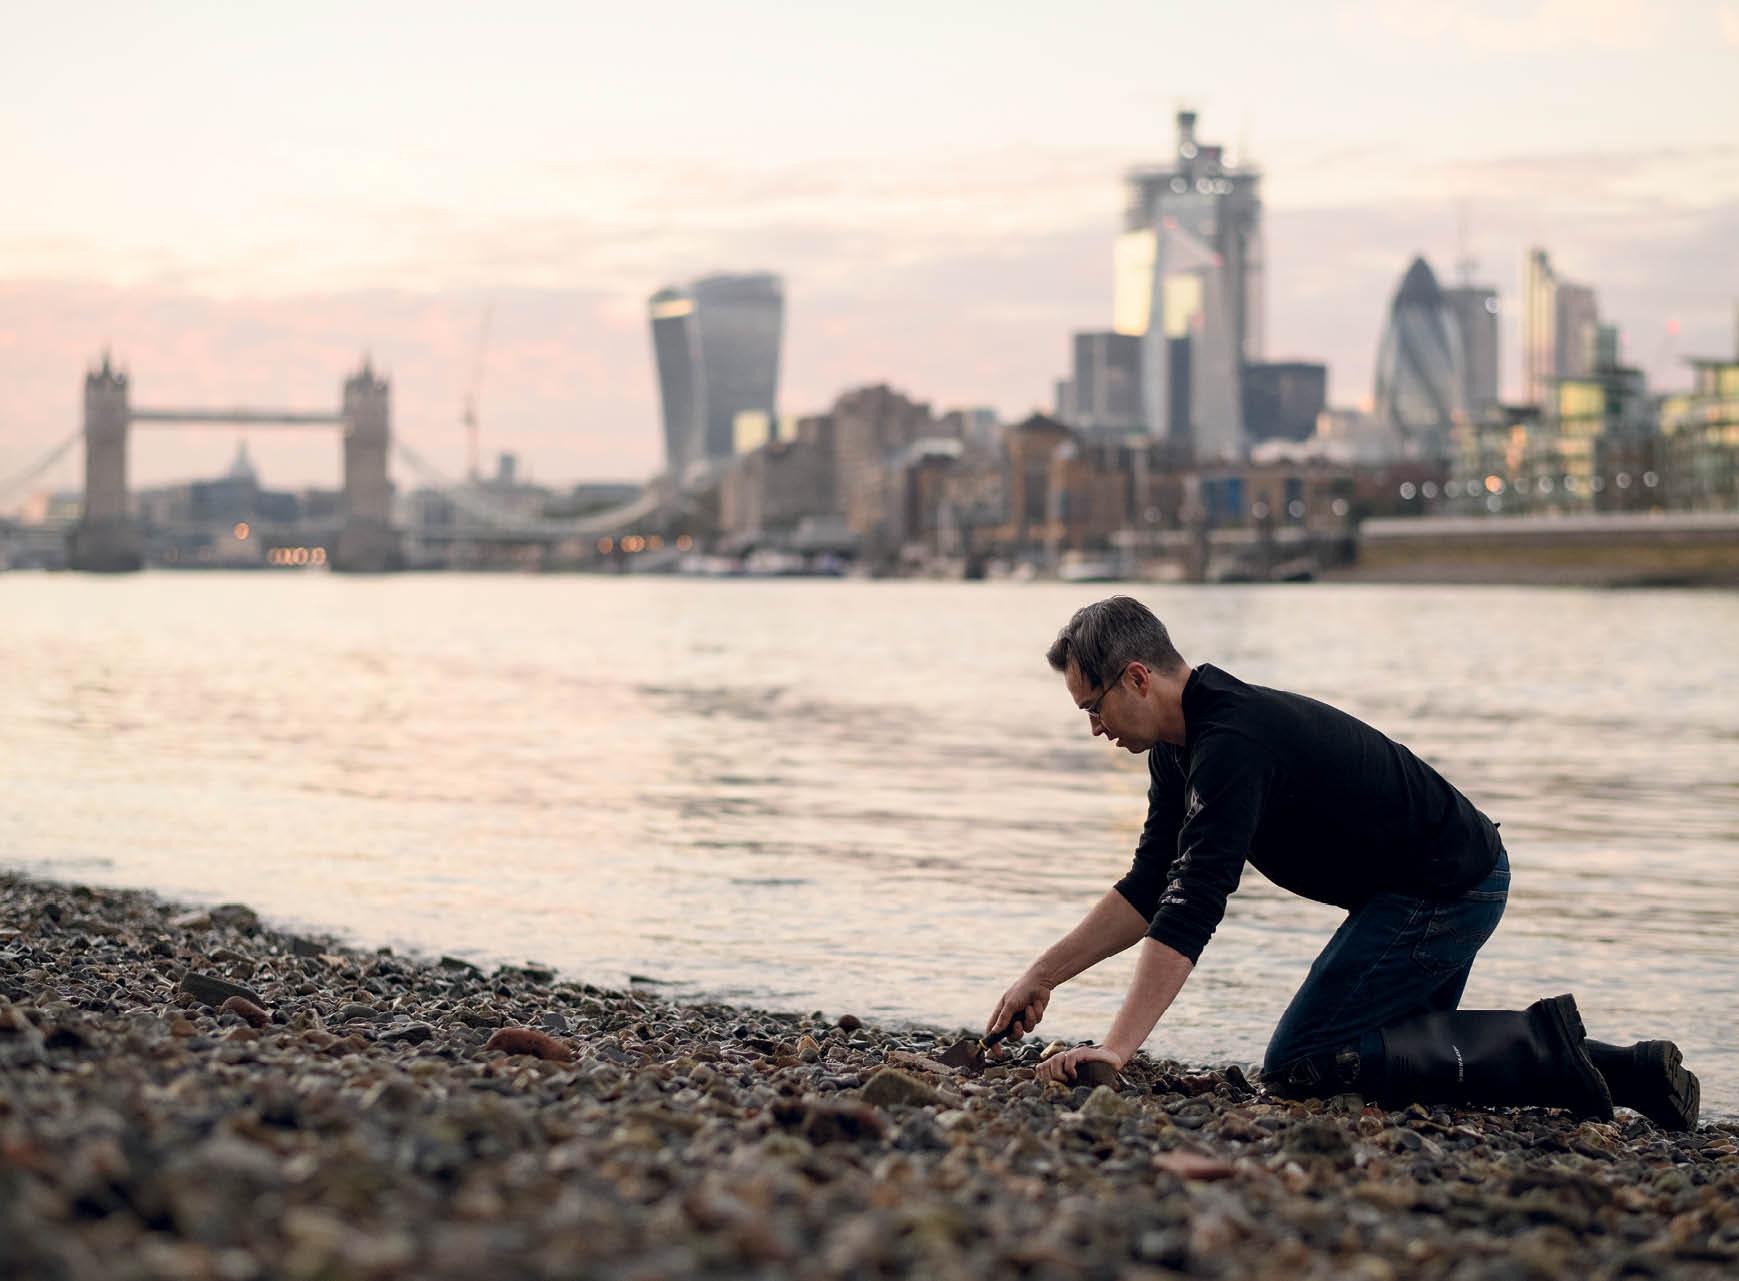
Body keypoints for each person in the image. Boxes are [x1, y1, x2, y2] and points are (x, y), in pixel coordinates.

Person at [988, 596, 1699, 1130]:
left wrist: (1117, 1047)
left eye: (1093, 705)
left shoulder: (1231, 741)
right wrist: (1039, 976)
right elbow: (1150, 885)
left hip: (1446, 884)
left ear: (1136, 677)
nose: (1094, 727)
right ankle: (1631, 1071)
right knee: (1394, 1063)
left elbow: (1194, 901)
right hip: (1417, 885)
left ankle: (1559, 1048)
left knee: (1304, 1060)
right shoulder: (1182, 749)